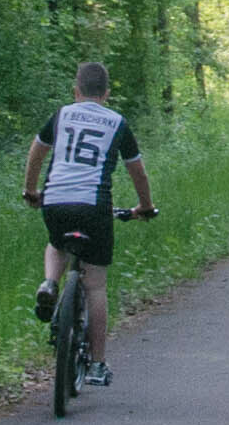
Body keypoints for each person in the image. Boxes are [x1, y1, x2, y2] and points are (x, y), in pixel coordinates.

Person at [20, 60, 156, 384]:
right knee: (95, 284)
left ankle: (50, 283)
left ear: (75, 91)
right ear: (106, 94)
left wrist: (30, 190)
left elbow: (36, 153)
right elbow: (137, 171)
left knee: (56, 243)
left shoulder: (62, 114)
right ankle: (97, 365)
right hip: (94, 207)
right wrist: (145, 206)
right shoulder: (118, 123)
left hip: (54, 200)